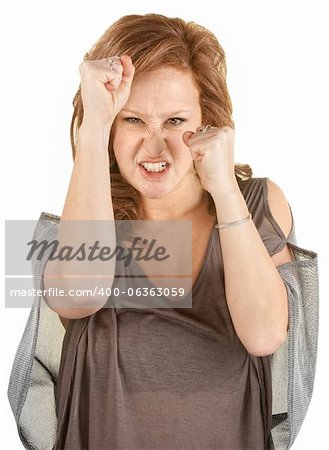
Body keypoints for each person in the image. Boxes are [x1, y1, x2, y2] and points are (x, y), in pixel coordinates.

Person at [8, 13, 319, 450]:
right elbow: (78, 295)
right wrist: (93, 126)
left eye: (175, 121)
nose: (154, 147)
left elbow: (265, 334)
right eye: (132, 120)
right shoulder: (87, 224)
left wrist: (224, 189)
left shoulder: (255, 205)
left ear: (209, 123)